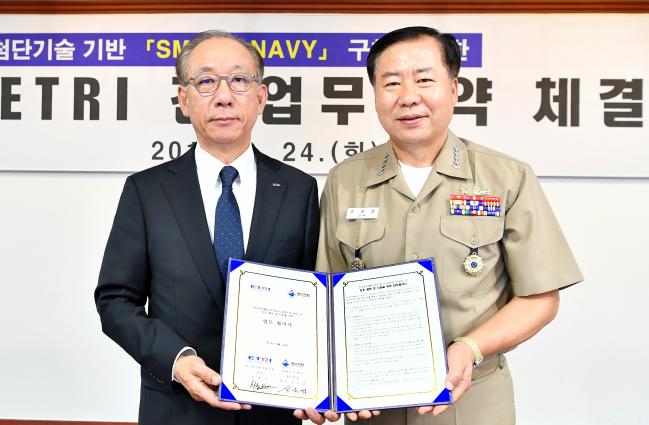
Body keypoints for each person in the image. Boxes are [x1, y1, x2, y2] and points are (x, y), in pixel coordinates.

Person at [311, 26, 583, 425]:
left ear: (455, 88)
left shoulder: (506, 178)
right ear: (374, 95)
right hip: (370, 405)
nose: (408, 97)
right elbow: (327, 297)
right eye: (391, 83)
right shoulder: (345, 181)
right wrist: (324, 382)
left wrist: (469, 348)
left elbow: (541, 298)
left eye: (424, 79)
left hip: (473, 400)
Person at [95, 30, 319, 425]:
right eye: (205, 81)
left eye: (239, 80)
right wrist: (176, 360)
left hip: (271, 413)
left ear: (261, 96)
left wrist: (320, 383)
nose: (224, 96)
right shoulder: (147, 190)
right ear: (184, 99)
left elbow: (315, 298)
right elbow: (115, 300)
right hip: (177, 409)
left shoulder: (299, 189)